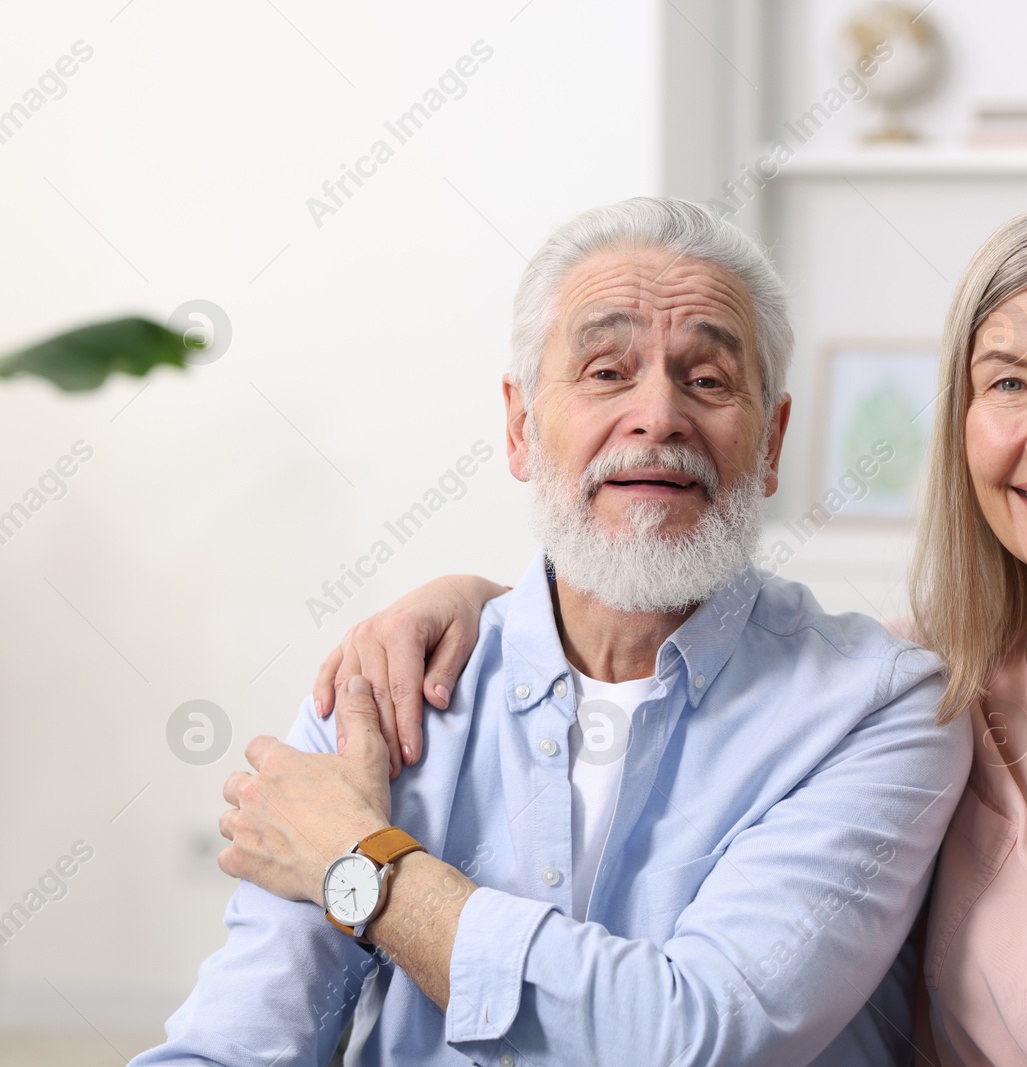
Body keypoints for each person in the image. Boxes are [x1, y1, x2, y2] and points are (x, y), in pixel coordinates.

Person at [314, 197, 1027, 1066]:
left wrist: (362, 868)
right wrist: (478, 600)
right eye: (1007, 383)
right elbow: (626, 594)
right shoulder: (942, 682)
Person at [131, 197, 970, 1067]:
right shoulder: (380, 689)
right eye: (607, 371)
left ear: (772, 442)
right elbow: (234, 1044)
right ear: (521, 424)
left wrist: (362, 868)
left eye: (709, 379)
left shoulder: (879, 706)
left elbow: (703, 1038)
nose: (659, 414)